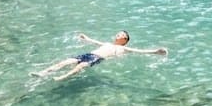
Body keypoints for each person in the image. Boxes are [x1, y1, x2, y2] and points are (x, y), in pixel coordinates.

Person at [35, 31, 167, 81]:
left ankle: (63, 77)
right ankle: (43, 72)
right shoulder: (107, 43)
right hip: (89, 54)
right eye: (118, 33)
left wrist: (156, 51)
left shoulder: (123, 48)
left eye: (121, 35)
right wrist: (86, 38)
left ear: (125, 40)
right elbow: (94, 42)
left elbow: (140, 51)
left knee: (79, 67)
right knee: (64, 62)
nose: (118, 35)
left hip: (97, 58)